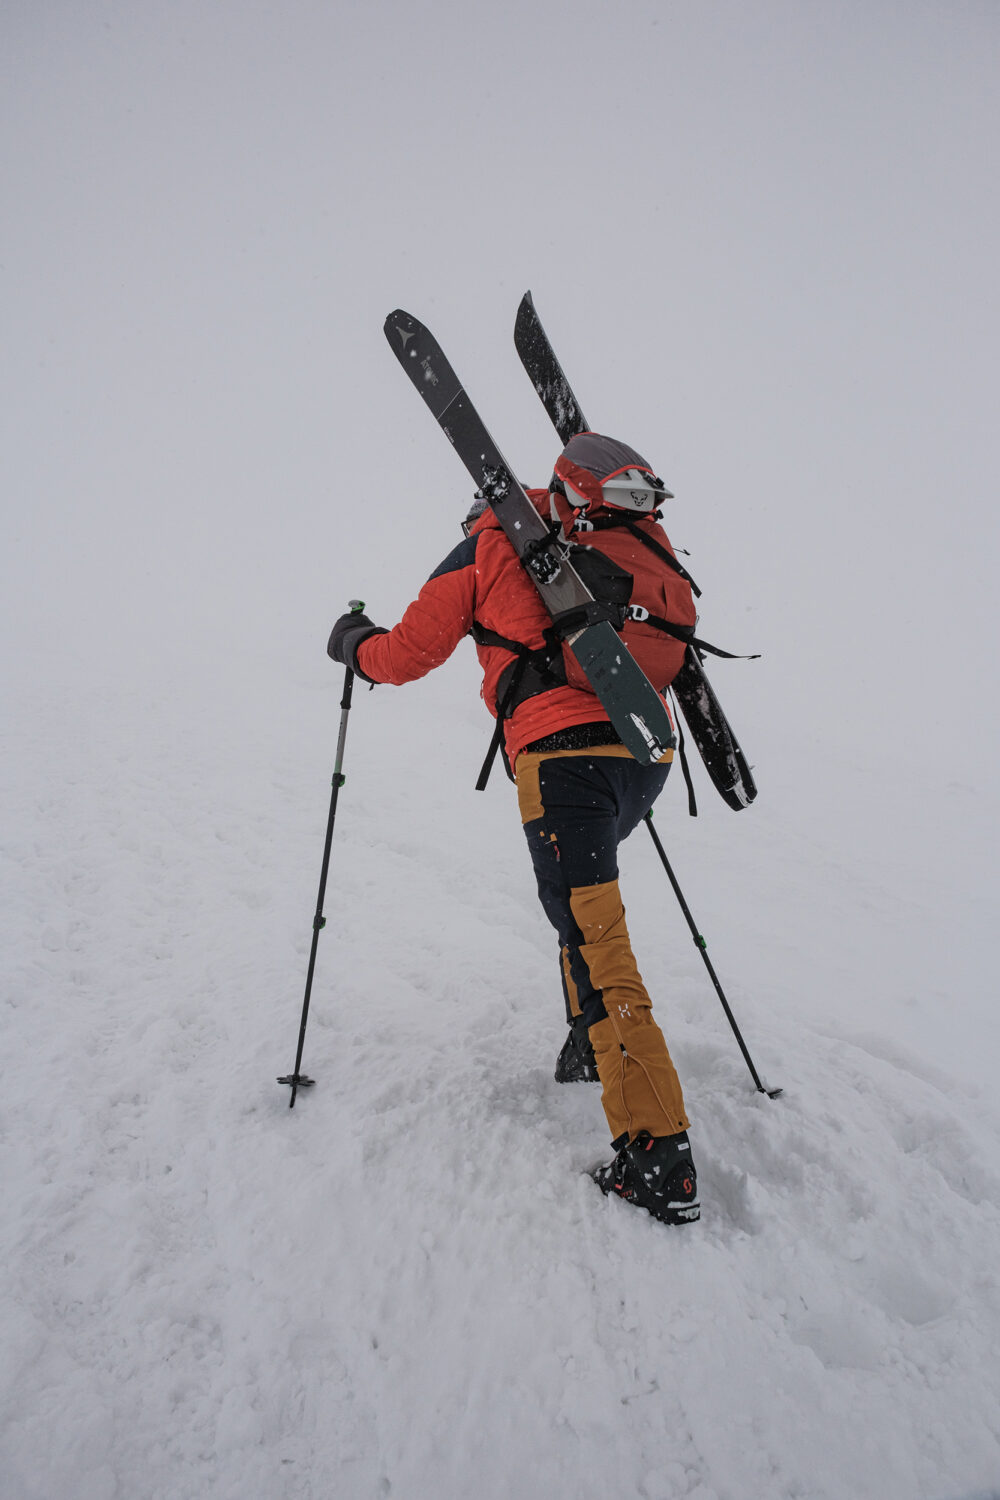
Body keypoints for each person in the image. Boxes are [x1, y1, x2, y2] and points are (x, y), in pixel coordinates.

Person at [328, 433, 700, 1226]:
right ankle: (584, 1043)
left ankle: (658, 1153)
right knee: (577, 911)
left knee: (600, 941)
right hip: (645, 755)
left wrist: (353, 647)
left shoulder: (484, 547)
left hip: (566, 765)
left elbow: (404, 654)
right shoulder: (590, 532)